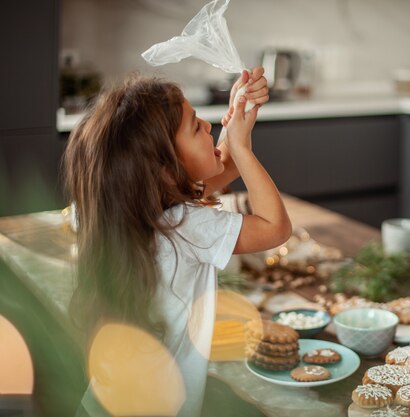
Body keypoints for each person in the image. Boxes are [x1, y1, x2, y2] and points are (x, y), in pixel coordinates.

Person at [63, 67, 291, 417]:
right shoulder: (186, 226)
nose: (208, 127)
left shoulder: (115, 210)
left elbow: (209, 173)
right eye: (195, 126)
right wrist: (243, 148)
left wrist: (234, 125)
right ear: (165, 170)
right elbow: (275, 228)